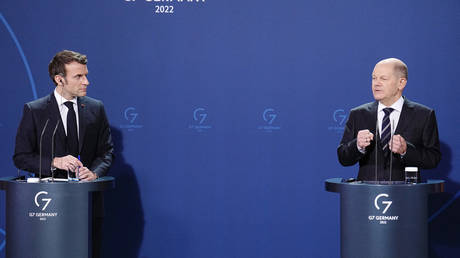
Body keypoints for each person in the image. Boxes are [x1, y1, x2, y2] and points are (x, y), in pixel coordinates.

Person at [13, 50, 114, 257]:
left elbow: (106, 152)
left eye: (85, 75)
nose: (86, 81)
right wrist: (54, 162)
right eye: (78, 76)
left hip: (87, 206)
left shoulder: (96, 108)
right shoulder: (36, 110)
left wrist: (94, 173)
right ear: (59, 79)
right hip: (49, 209)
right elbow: (21, 157)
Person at [337, 58, 441, 181]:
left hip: (406, 195)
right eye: (374, 78)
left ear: (401, 83)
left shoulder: (423, 115)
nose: (376, 83)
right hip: (367, 195)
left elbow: (433, 159)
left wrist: (406, 150)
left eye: (383, 78)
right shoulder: (358, 114)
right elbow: (343, 157)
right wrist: (357, 145)